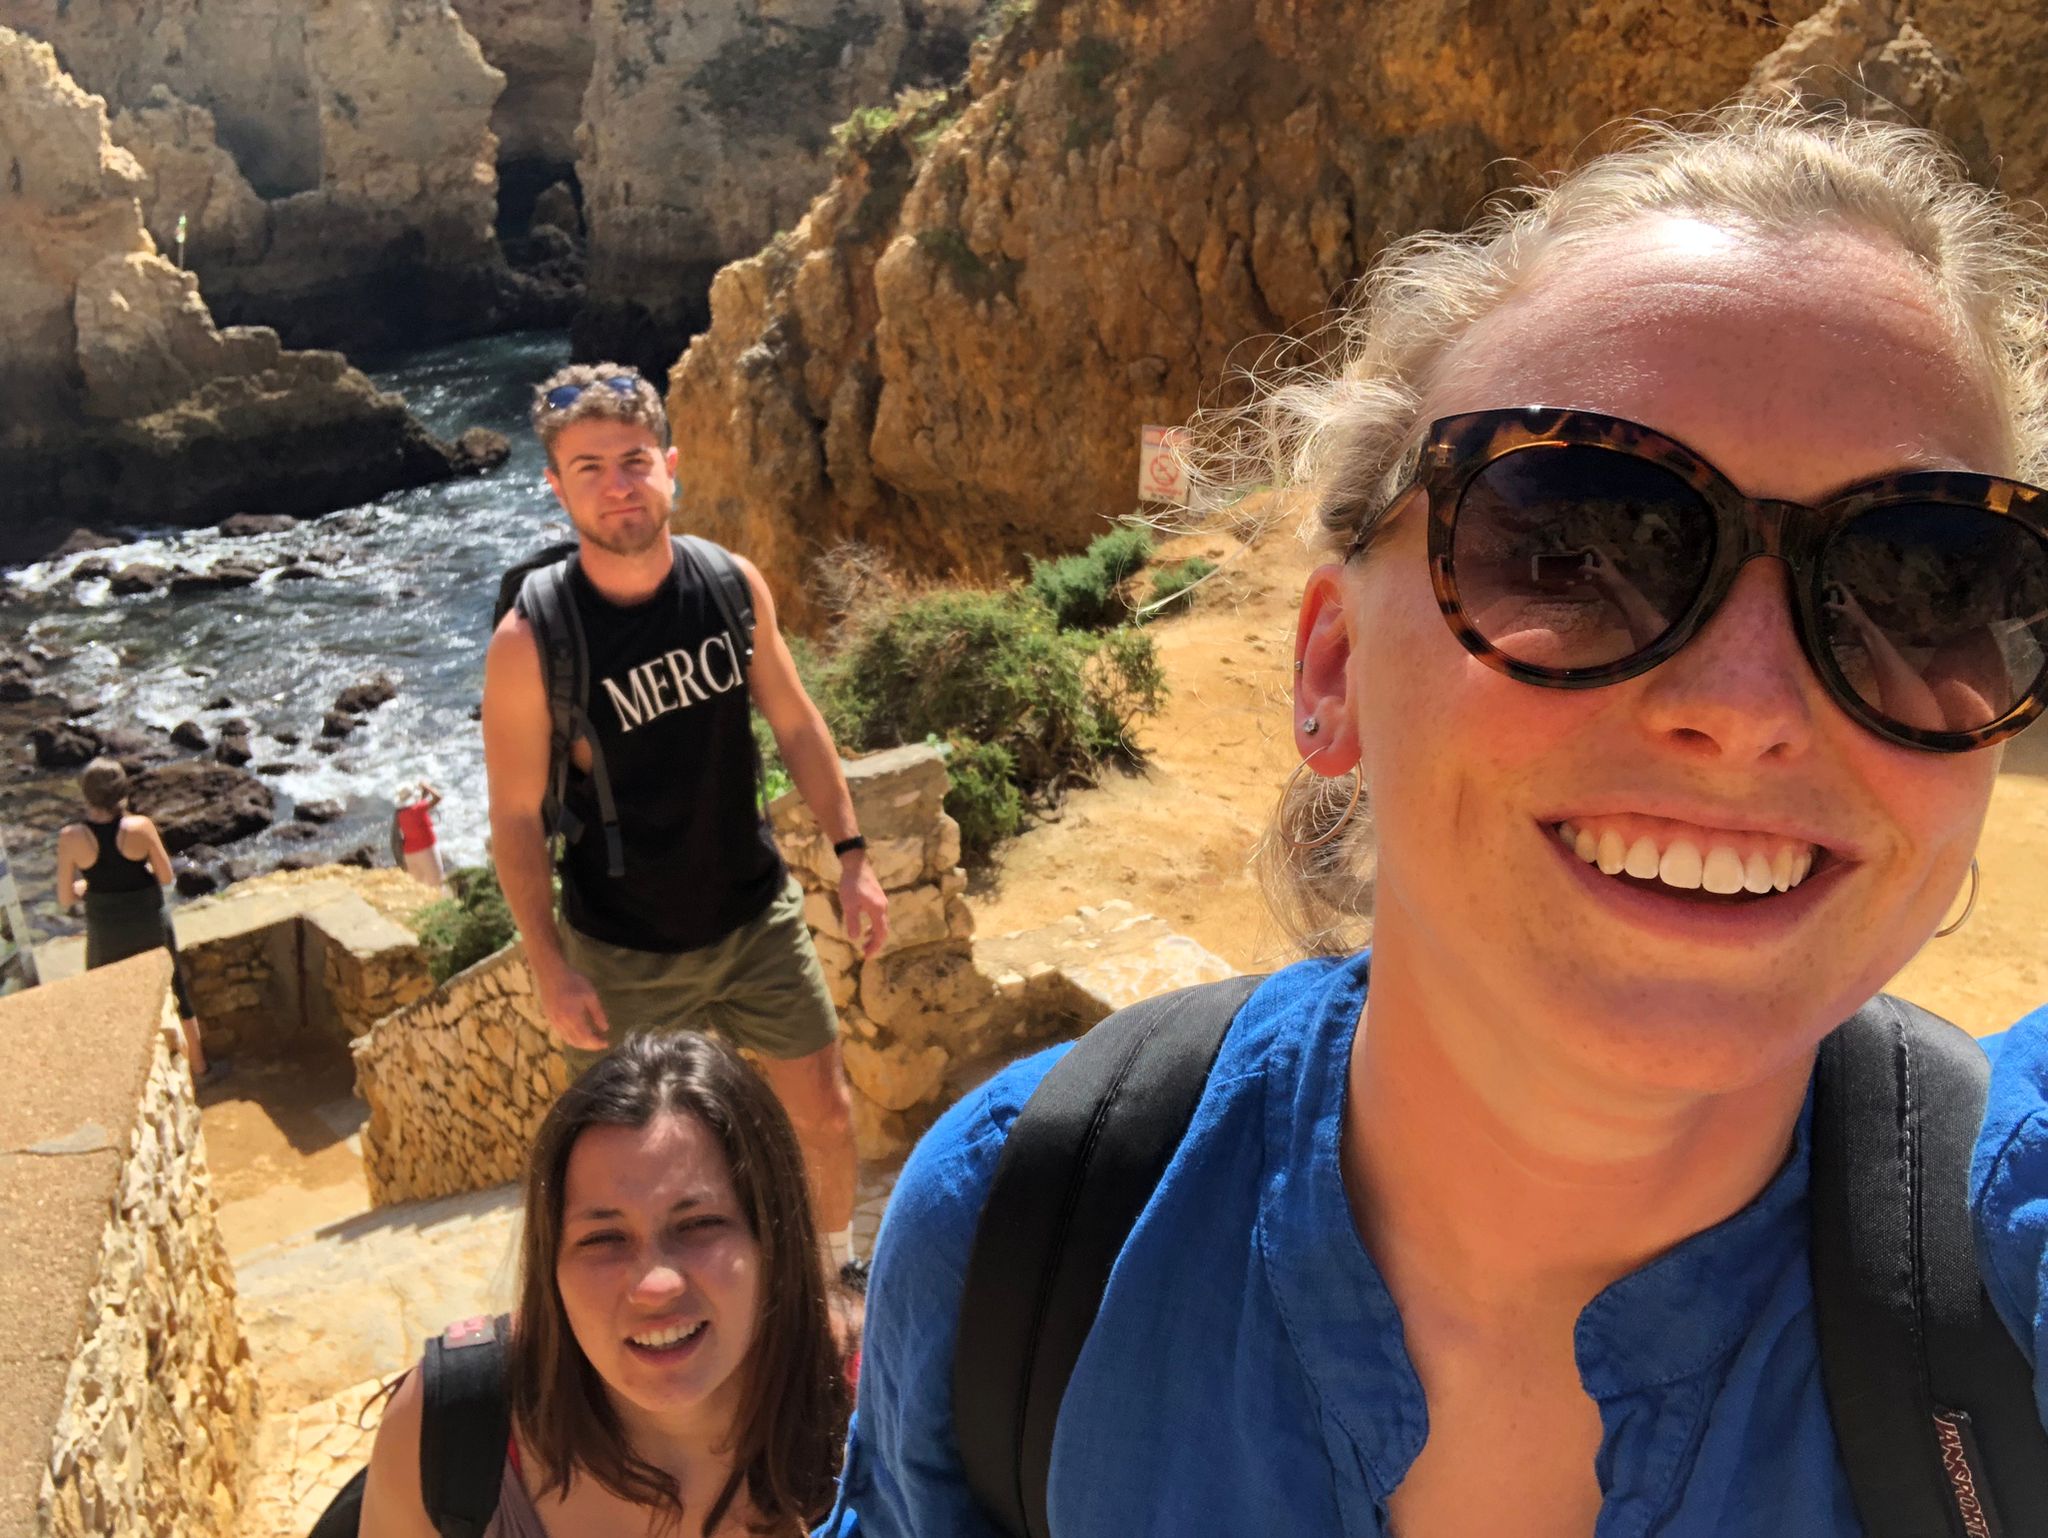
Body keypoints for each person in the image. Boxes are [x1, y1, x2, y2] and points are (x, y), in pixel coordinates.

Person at [835, 108, 2048, 1535]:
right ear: (1332, 668)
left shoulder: (2017, 1266)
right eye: (1572, 544)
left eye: (1922, 579)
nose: (1746, 706)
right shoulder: (1017, 1235)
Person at [482, 363, 889, 1284]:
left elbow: (795, 722)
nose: (618, 486)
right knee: (644, 1168)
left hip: (754, 917)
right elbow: (513, 817)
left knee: (823, 1114)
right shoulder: (530, 642)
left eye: (634, 461)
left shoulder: (729, 585)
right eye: (589, 468)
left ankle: (834, 1278)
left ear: (670, 466)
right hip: (624, 952)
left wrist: (853, 856)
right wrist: (549, 966)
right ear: (556, 487)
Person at [359, 1030, 848, 1536]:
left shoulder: (876, 1393)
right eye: (603, 1238)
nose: (655, 1285)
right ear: (551, 1267)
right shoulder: (445, 1428)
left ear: (774, 1242)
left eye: (698, 1224)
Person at [55, 757, 222, 1086]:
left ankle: (128, 1081)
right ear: (122, 792)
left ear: (86, 794)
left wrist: (88, 886)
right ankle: (200, 1068)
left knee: (109, 1001)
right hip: (149, 923)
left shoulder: (71, 837)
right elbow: (166, 876)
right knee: (176, 992)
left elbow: (65, 897)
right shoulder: (140, 828)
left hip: (106, 931)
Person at [392, 782, 446, 894]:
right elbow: (438, 797)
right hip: (427, 850)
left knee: (419, 888)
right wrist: (426, 786)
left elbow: (416, 805)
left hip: (409, 854)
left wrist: (422, 795)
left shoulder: (399, 814)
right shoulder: (419, 808)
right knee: (437, 885)